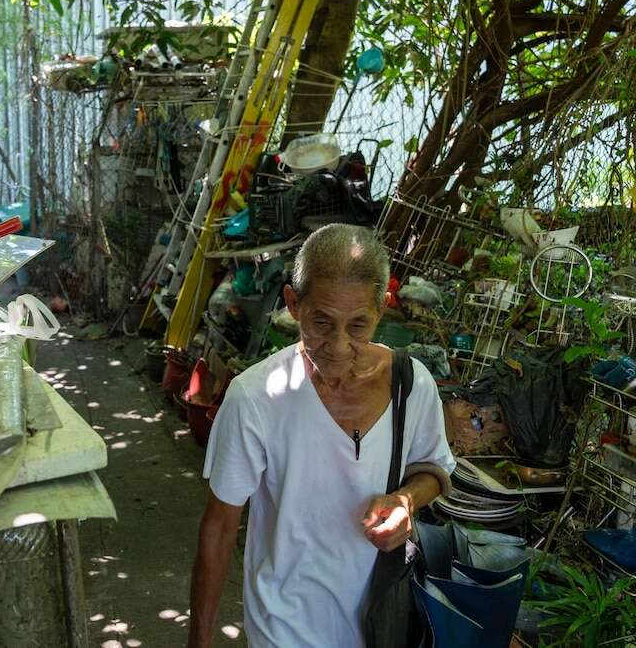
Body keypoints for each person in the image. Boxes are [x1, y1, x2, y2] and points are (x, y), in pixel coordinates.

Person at [187, 224, 455, 647]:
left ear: (382, 310)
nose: (339, 344)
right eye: (321, 322)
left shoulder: (411, 384)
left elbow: (434, 469)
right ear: (293, 305)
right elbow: (219, 527)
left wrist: (405, 501)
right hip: (283, 626)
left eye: (358, 325)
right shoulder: (255, 398)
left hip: (381, 622)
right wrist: (198, 642)